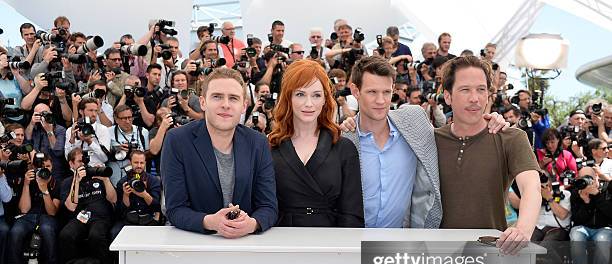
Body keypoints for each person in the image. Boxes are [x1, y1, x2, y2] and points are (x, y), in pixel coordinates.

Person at [339, 56, 509, 229]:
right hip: (350, 243)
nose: (381, 101)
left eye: (386, 92)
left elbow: (453, 133)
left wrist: (491, 119)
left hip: (400, 245)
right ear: (355, 91)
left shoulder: (414, 121)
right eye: (372, 92)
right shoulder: (344, 138)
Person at [437, 56, 541, 253]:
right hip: (437, 255)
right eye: (465, 89)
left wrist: (523, 229)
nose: (475, 98)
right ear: (448, 96)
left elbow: (531, 187)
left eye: (481, 89)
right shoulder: (430, 139)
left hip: (490, 254)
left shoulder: (512, 138)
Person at [161, 68, 277, 236]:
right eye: (217, 97)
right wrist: (209, 222)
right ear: (202, 102)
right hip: (193, 242)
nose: (225, 104)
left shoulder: (258, 143)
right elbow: (175, 208)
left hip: (244, 244)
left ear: (244, 106)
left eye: (233, 98)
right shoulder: (177, 140)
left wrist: (251, 224)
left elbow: (269, 206)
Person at [268, 59, 363, 227]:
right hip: (281, 241)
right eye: (300, 94)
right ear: (288, 98)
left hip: (330, 243)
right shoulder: (269, 147)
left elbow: (351, 214)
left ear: (325, 100)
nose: (309, 103)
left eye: (316, 95)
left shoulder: (343, 148)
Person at [59, 147, 117, 264]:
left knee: (96, 235)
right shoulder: (67, 182)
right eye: (79, 162)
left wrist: (106, 180)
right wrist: (76, 181)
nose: (82, 165)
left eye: (84, 161)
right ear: (71, 164)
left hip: (100, 217)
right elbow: (71, 206)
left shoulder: (97, 175)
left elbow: (113, 199)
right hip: (79, 218)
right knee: (66, 235)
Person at [7, 153, 61, 264]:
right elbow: (24, 209)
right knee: (16, 231)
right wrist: (26, 185)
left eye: (48, 167)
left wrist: (45, 190)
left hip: (47, 217)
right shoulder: (28, 180)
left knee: (47, 230)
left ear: (52, 167)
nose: (44, 171)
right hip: (28, 216)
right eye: (41, 167)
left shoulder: (56, 182)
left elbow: (52, 212)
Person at [569, 166, 612, 264]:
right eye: (583, 178)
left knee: (602, 240)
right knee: (576, 235)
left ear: (596, 177)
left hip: (604, 228)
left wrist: (597, 195)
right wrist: (586, 202)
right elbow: (577, 219)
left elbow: (610, 213)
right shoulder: (576, 192)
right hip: (583, 227)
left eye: (589, 178)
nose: (587, 181)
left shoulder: (607, 190)